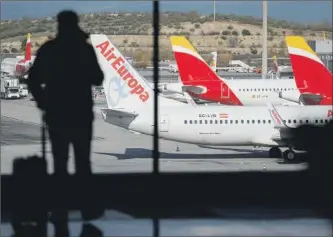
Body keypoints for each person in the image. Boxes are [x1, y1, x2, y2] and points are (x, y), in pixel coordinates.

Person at [27, 10, 104, 221]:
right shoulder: (84, 49)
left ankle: (60, 208)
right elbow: (98, 78)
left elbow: (33, 80)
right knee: (83, 163)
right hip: (80, 114)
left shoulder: (49, 50)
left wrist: (44, 102)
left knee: (60, 163)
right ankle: (87, 208)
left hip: (57, 114)